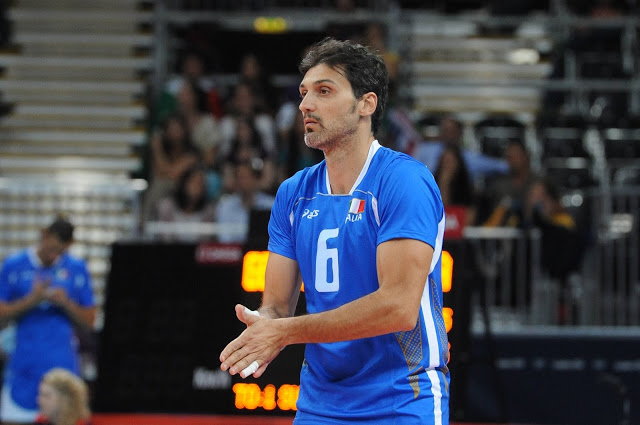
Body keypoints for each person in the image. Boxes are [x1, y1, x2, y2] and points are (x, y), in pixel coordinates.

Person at [219, 38, 450, 424]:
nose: (306, 105)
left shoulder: (403, 181)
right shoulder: (293, 192)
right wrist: (265, 326)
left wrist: (287, 332)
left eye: (324, 91)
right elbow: (277, 305)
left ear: (366, 104)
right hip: (318, 404)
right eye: (304, 93)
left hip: (400, 399)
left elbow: (398, 307)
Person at [0, 216, 95, 425]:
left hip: (63, 367)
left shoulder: (77, 268)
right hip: (22, 367)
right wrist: (31, 301)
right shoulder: (14, 265)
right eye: (52, 248)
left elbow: (90, 321)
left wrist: (66, 303)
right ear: (44, 235)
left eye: (61, 251)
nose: (55, 256)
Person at [413, 115, 509, 181]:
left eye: (452, 131)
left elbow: (491, 164)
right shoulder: (426, 150)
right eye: (445, 130)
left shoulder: (466, 156)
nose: (448, 135)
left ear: (460, 133)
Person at [215, 159, 275, 244]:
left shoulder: (271, 205)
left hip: (264, 252)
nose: (243, 182)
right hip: (234, 254)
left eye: (247, 177)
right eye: (240, 178)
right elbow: (224, 240)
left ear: (255, 179)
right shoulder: (225, 206)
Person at [155, 164, 216, 241]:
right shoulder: (166, 207)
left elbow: (208, 241)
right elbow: (161, 238)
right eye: (194, 182)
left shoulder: (209, 211)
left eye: (201, 183)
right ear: (184, 183)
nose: (198, 187)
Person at [434, 145, 477, 226]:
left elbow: (471, 210)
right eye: (445, 162)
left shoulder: (465, 184)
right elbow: (439, 209)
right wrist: (444, 184)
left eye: (450, 162)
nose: (447, 166)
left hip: (460, 228)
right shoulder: (433, 182)